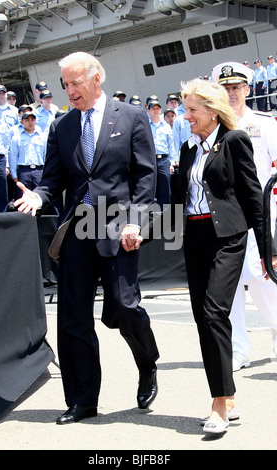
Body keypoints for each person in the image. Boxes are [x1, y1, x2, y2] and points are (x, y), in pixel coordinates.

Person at [14, 51, 159, 424]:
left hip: (120, 226)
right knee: (74, 317)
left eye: (75, 82)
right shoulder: (61, 126)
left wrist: (137, 221)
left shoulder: (131, 116)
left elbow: (145, 176)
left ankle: (148, 363)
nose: (69, 90)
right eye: (65, 83)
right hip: (78, 230)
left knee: (124, 308)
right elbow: (52, 180)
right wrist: (38, 196)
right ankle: (82, 400)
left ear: (96, 79)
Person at [173, 78, 265, 435]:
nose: (187, 116)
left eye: (193, 110)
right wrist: (145, 234)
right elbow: (177, 202)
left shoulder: (235, 140)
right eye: (185, 109)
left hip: (227, 238)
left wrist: (270, 252)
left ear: (213, 111)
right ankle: (229, 398)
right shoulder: (187, 149)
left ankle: (219, 405)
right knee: (204, 319)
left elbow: (253, 196)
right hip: (194, 239)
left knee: (214, 313)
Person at [212, 61, 277, 372]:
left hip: (262, 217)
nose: (231, 93)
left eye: (236, 87)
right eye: (225, 88)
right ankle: (238, 350)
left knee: (270, 282)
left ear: (248, 89)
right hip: (227, 220)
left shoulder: (265, 124)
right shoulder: (213, 128)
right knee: (231, 288)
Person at [148, 100, 177, 209]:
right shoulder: (146, 126)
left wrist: (172, 163)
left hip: (164, 160)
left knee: (165, 187)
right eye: (153, 108)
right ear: (149, 110)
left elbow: (171, 145)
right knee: (150, 187)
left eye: (157, 108)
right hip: (150, 160)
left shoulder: (166, 126)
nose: (156, 111)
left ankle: (165, 214)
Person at [9, 111, 46, 199]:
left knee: (39, 197)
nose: (30, 122)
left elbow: (45, 155)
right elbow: (13, 157)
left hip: (39, 170)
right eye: (27, 120)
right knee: (23, 196)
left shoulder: (42, 137)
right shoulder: (16, 138)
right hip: (24, 171)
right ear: (22, 122)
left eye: (32, 119)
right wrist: (14, 174)